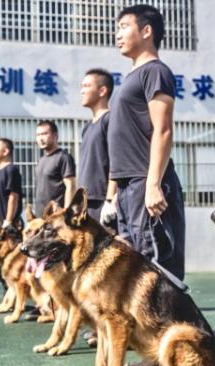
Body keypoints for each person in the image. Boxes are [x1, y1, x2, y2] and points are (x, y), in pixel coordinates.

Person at [108, 4, 185, 282]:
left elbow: (163, 129)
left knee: (154, 266)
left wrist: (153, 184)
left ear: (146, 31)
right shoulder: (130, 78)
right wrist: (117, 190)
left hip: (146, 182)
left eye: (123, 26)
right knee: (133, 263)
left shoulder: (155, 71)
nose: (117, 34)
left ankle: (170, 325)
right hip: (130, 185)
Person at [79, 68, 118, 227]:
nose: (82, 91)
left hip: (102, 201)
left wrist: (110, 200)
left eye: (87, 86)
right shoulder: (87, 128)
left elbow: (117, 161)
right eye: (81, 86)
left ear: (102, 90)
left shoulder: (110, 120)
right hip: (87, 201)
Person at [0, 137, 23, 292]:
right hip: (0, 228)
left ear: (5, 151)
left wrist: (8, 220)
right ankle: (7, 298)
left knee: (13, 264)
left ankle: (17, 300)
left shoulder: (11, 170)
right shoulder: (0, 172)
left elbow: (13, 196)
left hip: (8, 228)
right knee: (1, 263)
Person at [34, 120, 76, 216]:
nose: (41, 138)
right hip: (40, 216)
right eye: (38, 135)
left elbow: (71, 186)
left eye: (44, 134)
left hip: (56, 216)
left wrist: (66, 212)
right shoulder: (41, 161)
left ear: (55, 136)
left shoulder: (63, 157)